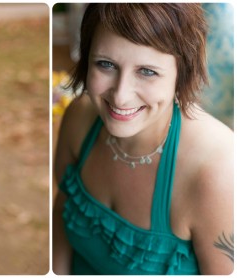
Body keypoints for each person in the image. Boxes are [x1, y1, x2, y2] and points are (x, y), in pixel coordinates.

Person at [53, 3, 233, 275]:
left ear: (181, 74)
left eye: (147, 71)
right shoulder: (79, 118)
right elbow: (62, 217)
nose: (121, 95)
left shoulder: (217, 170)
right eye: (106, 64)